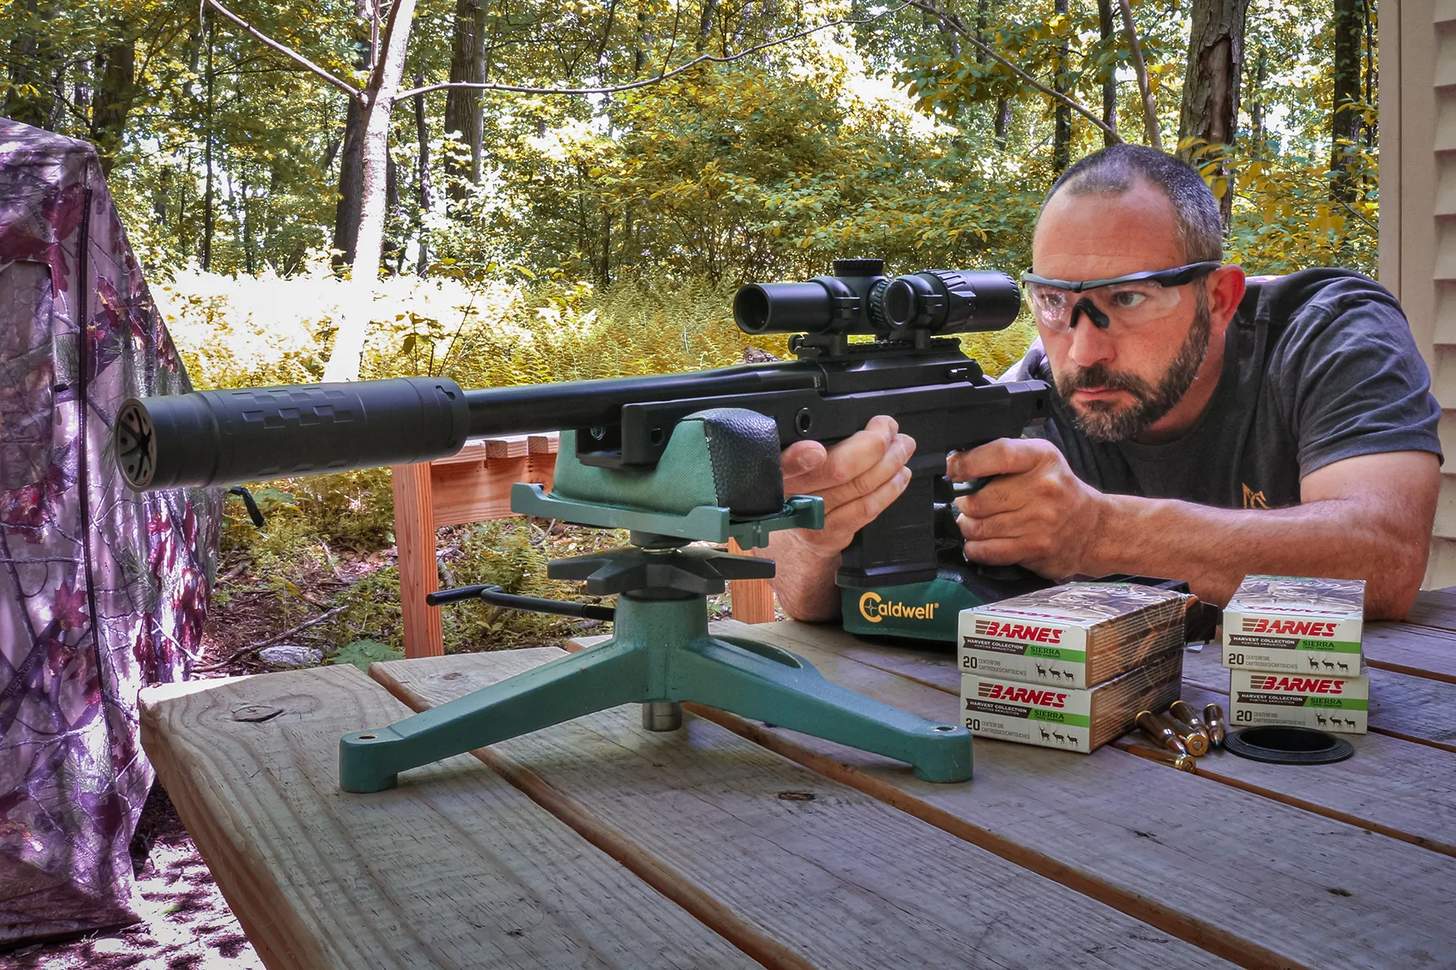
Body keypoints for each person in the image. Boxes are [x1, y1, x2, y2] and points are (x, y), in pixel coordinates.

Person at [764, 144, 1442, 621]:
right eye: (1055, 302)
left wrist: (1098, 532)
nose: (1083, 350)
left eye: (1129, 299)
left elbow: (1384, 558)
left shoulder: (1328, 333)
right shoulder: (1032, 395)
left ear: (1219, 299)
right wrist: (820, 530)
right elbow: (804, 602)